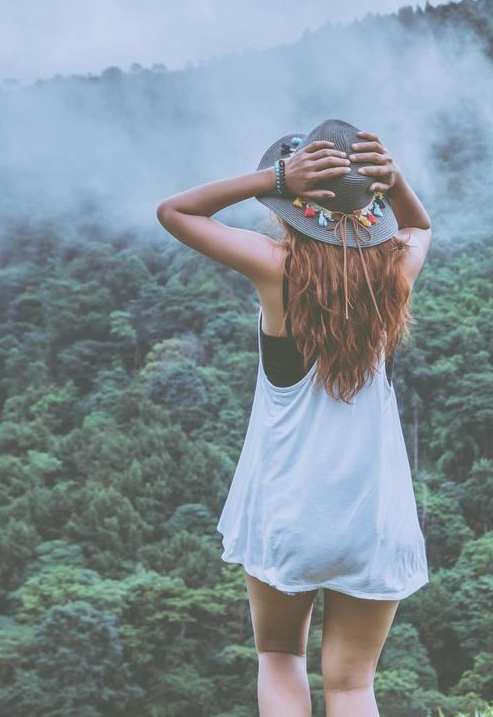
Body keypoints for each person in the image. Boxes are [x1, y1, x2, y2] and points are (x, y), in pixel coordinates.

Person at [156, 117, 433, 717]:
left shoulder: (278, 269)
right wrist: (397, 180)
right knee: (354, 685)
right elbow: (418, 225)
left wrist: (278, 175)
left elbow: (176, 212)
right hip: (371, 516)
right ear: (370, 209)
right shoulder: (395, 274)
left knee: (280, 655)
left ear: (292, 207)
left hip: (288, 511)